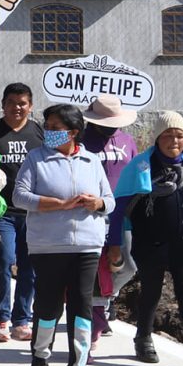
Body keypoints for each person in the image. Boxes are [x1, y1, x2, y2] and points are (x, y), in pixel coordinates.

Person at [107, 111, 183, 366]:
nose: (174, 140)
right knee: (151, 292)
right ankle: (143, 338)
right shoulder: (141, 166)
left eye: (179, 135)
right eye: (168, 135)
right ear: (157, 137)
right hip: (151, 243)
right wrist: (114, 243)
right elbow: (118, 208)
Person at [13, 103, 115, 366]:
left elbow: (110, 200)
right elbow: (20, 197)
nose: (49, 133)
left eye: (55, 128)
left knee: (82, 305)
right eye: (47, 127)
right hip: (48, 245)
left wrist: (98, 204)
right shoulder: (36, 159)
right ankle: (40, 351)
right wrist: (58, 205)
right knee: (49, 304)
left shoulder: (91, 161)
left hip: (87, 245)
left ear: (73, 132)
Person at [0, 83, 43, 342]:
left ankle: (22, 319)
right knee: (4, 260)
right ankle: (2, 316)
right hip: (1, 210)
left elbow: (66, 148)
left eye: (22, 103)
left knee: (30, 266)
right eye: (12, 102)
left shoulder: (40, 132)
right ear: (2, 104)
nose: (17, 107)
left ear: (30, 105)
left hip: (33, 211)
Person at [80, 94, 140, 339]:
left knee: (128, 266)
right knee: (95, 267)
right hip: (90, 212)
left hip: (122, 213)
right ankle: (98, 311)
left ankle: (106, 299)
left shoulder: (127, 140)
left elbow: (137, 172)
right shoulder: (81, 140)